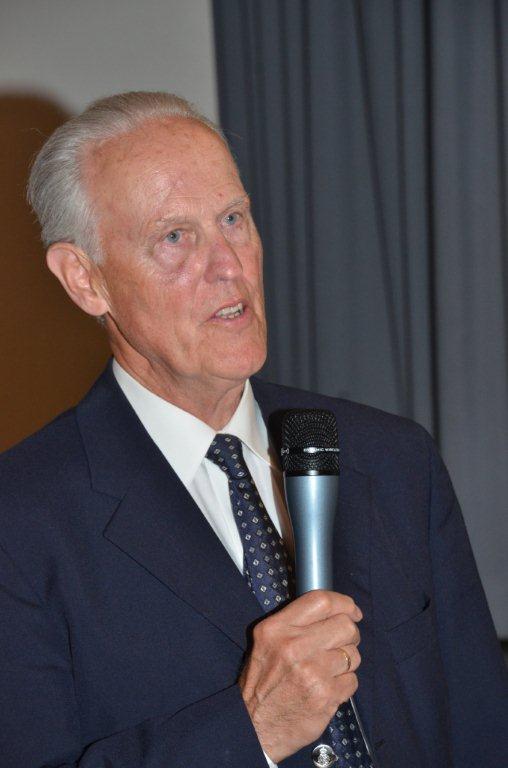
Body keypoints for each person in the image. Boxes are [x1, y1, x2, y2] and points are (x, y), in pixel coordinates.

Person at [0, 91, 506, 768]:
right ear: (84, 279)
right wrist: (253, 732)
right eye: (175, 237)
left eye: (233, 219)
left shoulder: (394, 459)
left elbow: (480, 729)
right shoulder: (21, 524)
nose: (229, 265)